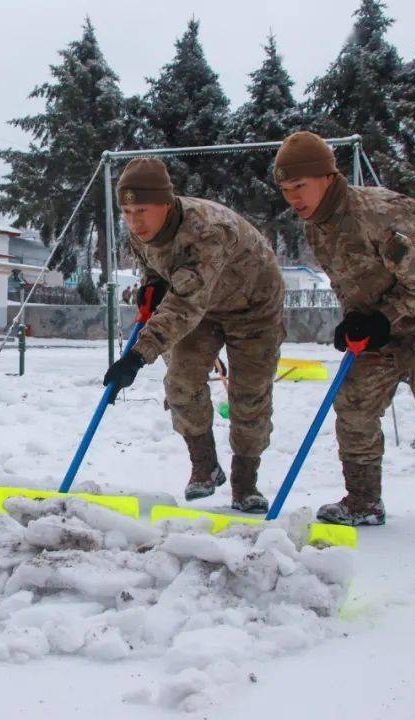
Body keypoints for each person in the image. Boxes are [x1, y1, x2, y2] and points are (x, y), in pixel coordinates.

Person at [273, 131, 415, 525]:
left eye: (300, 186)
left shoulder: (383, 213)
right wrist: (355, 319)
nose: (294, 198)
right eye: (286, 190)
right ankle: (364, 501)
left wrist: (382, 318)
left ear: (329, 177)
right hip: (384, 322)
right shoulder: (316, 227)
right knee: (353, 403)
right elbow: (349, 281)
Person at [102, 158, 285, 511]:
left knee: (249, 395)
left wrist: (138, 356)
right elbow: (158, 270)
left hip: (254, 305)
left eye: (142, 209)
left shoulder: (206, 232)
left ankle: (245, 482)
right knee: (181, 383)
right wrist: (153, 285)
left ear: (167, 204)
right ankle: (204, 466)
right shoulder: (140, 233)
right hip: (202, 302)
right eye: (126, 211)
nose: (134, 220)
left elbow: (185, 305)